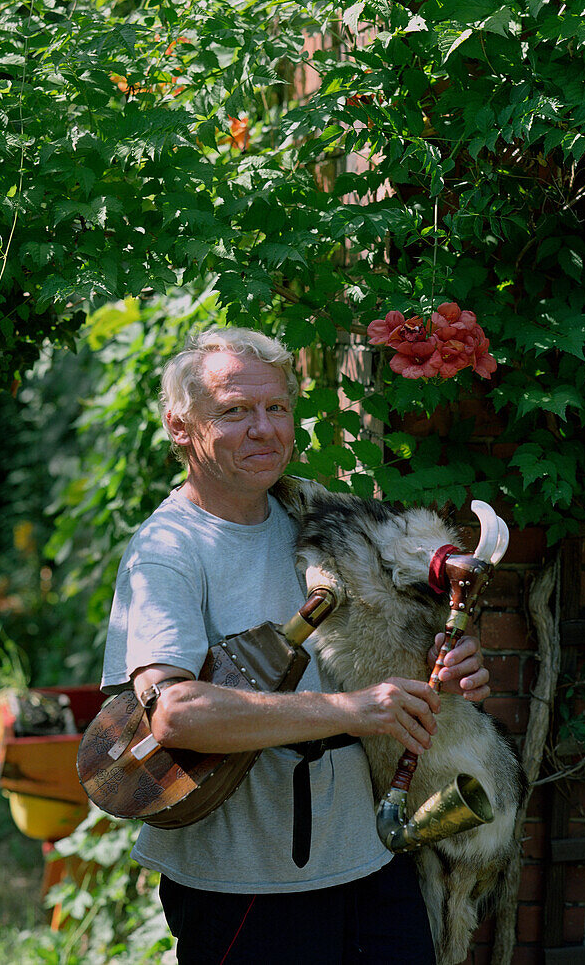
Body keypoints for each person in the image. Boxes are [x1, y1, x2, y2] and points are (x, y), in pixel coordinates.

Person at [100, 327, 491, 964]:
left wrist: (448, 663)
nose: (263, 428)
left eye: (275, 408)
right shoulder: (167, 551)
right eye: (234, 411)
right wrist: (353, 710)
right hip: (245, 880)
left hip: (367, 854)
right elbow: (173, 713)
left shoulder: (322, 517)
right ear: (180, 426)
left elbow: (387, 650)